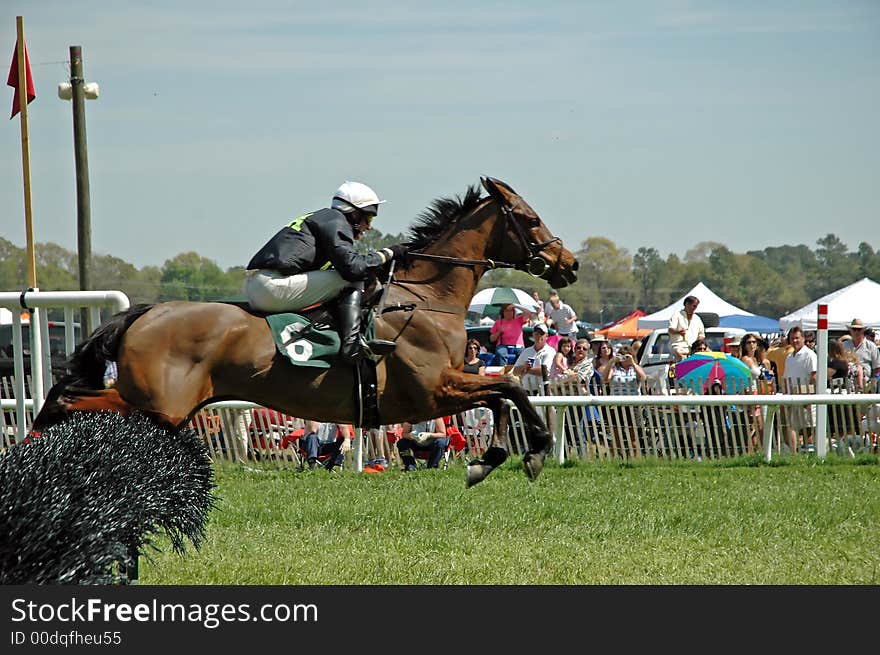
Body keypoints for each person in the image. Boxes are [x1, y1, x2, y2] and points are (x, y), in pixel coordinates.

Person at [243, 181, 409, 363]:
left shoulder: (325, 218)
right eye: (368, 218)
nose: (369, 227)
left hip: (257, 285)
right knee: (354, 278)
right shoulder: (337, 221)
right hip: (271, 287)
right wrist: (388, 253)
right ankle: (352, 347)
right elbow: (353, 268)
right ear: (354, 214)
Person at [782, 326, 817, 454]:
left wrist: (808, 396)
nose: (795, 341)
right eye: (792, 338)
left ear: (803, 339)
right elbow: (786, 377)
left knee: (807, 429)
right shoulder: (789, 357)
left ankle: (809, 454)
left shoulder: (810, 355)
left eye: (797, 338)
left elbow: (814, 376)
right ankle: (794, 454)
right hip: (792, 397)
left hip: (806, 397)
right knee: (791, 426)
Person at [512, 322, 556, 395]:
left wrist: (526, 369)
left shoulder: (550, 351)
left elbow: (545, 371)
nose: (538, 336)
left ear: (547, 336)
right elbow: (515, 371)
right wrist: (524, 367)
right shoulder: (526, 351)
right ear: (533, 335)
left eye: (541, 334)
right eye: (536, 333)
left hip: (543, 392)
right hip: (526, 391)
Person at [668, 296, 705, 362]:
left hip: (693, 348)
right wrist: (679, 332)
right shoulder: (677, 315)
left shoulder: (697, 318)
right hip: (678, 346)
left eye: (696, 306)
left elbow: (701, 334)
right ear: (687, 304)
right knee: (683, 359)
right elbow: (670, 330)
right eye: (693, 306)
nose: (694, 308)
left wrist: (699, 341)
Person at [848, 318, 880, 384]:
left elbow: (877, 369)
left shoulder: (871, 346)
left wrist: (873, 385)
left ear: (863, 331)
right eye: (854, 329)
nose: (856, 332)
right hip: (847, 384)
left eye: (859, 329)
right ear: (850, 331)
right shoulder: (844, 345)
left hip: (866, 384)